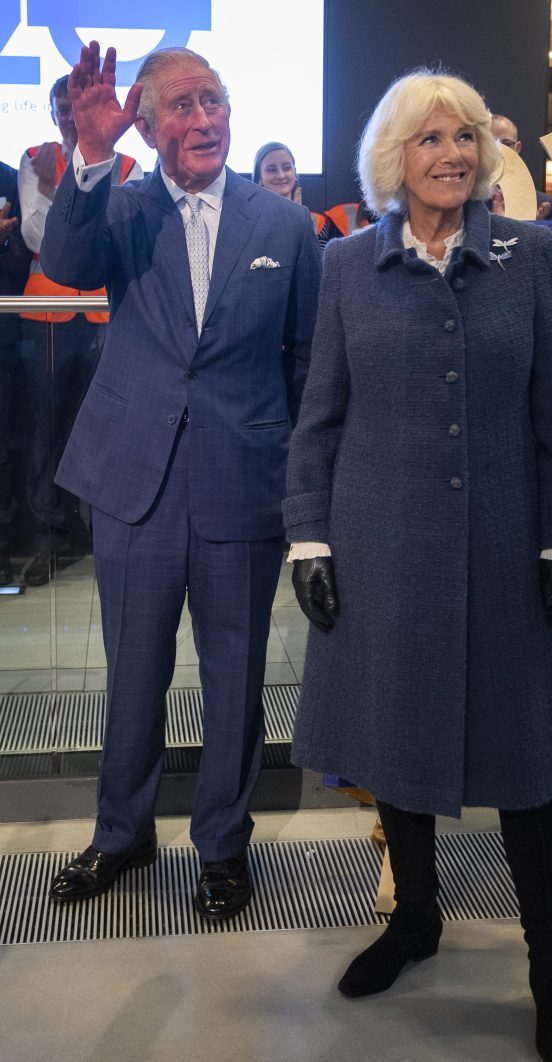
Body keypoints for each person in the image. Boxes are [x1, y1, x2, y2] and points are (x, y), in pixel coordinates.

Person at [283, 70, 552, 1062]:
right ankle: (413, 919)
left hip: (507, 542)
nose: (452, 154)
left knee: (526, 764)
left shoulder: (529, 256)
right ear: (395, 159)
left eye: (464, 137)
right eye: (430, 140)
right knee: (398, 743)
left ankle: (550, 967)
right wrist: (308, 536)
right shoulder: (345, 265)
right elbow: (319, 417)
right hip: (380, 544)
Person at [43, 42, 320, 917]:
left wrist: (305, 479)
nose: (204, 121)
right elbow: (67, 258)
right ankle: (122, 834)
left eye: (215, 103)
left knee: (235, 677)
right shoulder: (119, 210)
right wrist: (89, 156)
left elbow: (308, 359)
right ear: (151, 124)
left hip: (244, 478)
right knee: (133, 674)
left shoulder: (282, 224)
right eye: (184, 107)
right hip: (137, 480)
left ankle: (223, 848)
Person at [18, 75, 142, 587]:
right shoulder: (34, 158)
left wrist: (55, 195)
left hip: (102, 315)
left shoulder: (131, 166)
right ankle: (48, 539)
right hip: (44, 317)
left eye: (75, 106)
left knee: (103, 430)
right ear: (52, 113)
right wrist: (48, 191)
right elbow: (35, 236)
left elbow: (113, 233)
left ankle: (100, 534)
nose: (70, 115)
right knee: (43, 432)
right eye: (61, 108)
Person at [0, 163, 31, 585]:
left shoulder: (9, 178)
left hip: (4, 325)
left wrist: (5, 241)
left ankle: (2, 547)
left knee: (2, 439)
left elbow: (24, 261)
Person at [252, 141, 328, 245]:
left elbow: (316, 260)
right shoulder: (249, 220)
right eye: (271, 170)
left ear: (295, 172)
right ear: (259, 178)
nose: (281, 175)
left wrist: (299, 220)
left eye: (287, 168)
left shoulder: (316, 222)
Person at [490, 113, 552, 220]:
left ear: (517, 148)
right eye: (491, 143)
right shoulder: (466, 203)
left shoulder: (543, 204)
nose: (499, 150)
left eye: (506, 143)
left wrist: (533, 228)